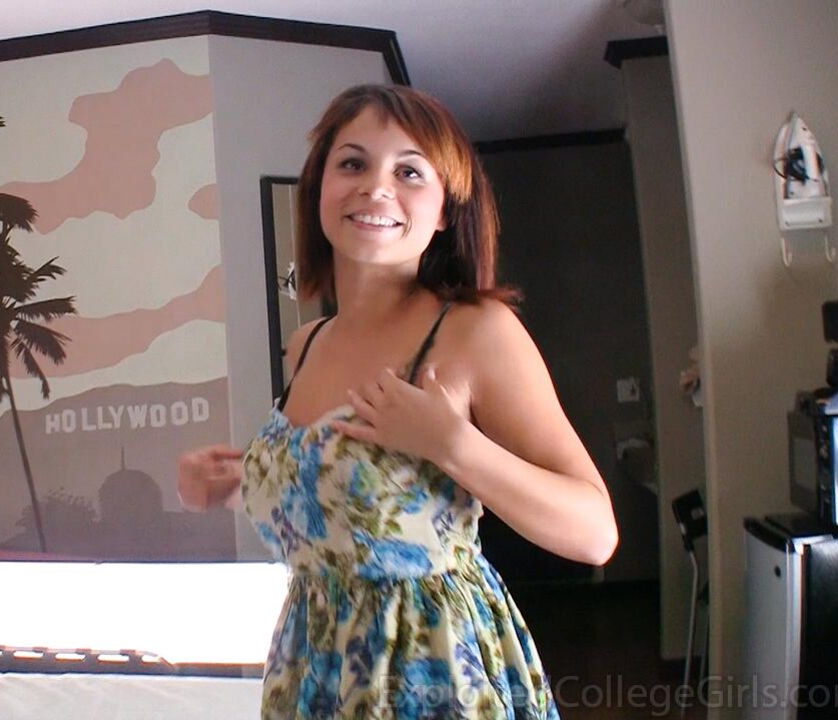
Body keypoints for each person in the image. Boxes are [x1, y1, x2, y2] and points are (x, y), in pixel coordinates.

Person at [178, 84, 617, 719]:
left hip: (432, 677)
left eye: (409, 172)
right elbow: (349, 495)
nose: (375, 188)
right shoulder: (307, 344)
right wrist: (237, 480)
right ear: (319, 189)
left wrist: (453, 445)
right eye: (352, 163)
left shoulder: (474, 333)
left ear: (444, 211)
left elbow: (595, 534)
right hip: (315, 671)